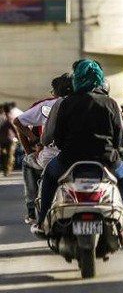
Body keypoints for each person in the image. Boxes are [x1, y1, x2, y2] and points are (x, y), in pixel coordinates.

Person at [32, 60, 123, 239]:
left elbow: (53, 138)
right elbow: (122, 139)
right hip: (107, 160)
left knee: (49, 176)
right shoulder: (111, 103)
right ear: (99, 79)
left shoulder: (64, 103)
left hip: (69, 160)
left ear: (76, 79)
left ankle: (43, 221)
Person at [12, 74, 73, 224]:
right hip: (83, 156)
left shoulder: (47, 105)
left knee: (28, 161)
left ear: (56, 92)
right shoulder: (89, 103)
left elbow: (18, 121)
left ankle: (32, 210)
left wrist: (34, 143)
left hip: (51, 158)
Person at [1, 102, 23, 176]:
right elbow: (14, 127)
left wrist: (18, 136)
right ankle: (6, 169)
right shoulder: (7, 116)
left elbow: (13, 127)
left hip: (9, 139)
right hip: (6, 139)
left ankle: (7, 170)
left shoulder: (8, 116)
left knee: (8, 155)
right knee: (6, 155)